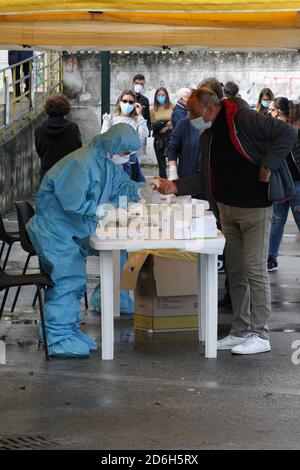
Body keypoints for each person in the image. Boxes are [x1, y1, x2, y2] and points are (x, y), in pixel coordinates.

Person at [156, 87, 297, 355]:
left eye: (195, 113)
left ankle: (261, 333)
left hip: (255, 208)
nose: (192, 118)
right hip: (226, 209)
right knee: (235, 271)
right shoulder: (208, 135)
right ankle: (240, 330)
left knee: (255, 270)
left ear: (211, 107)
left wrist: (268, 165)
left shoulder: (244, 118)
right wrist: (175, 186)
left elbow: (288, 133)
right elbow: (206, 176)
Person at [27, 124, 145, 357]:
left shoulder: (107, 163)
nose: (127, 158)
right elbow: (72, 201)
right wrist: (105, 210)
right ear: (113, 145)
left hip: (72, 231)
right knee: (68, 281)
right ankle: (57, 337)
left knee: (80, 277)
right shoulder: (82, 163)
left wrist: (144, 190)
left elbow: (121, 187)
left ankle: (67, 329)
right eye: (125, 153)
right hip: (56, 232)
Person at [267, 97, 300, 271]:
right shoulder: (274, 131)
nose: (268, 112)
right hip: (281, 183)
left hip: (296, 184)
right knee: (277, 220)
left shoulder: (293, 130)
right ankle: (271, 258)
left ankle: (271, 257)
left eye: (271, 109)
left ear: (278, 111)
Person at [35, 94, 82, 179]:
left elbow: (40, 152)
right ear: (66, 108)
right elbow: (78, 149)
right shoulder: (73, 128)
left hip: (47, 176)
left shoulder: (39, 130)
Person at [101, 89, 149, 166]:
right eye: (124, 101)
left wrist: (139, 114)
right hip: (111, 161)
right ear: (120, 102)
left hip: (129, 162)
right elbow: (103, 137)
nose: (127, 104)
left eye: (130, 102)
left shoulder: (137, 120)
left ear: (134, 104)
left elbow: (144, 134)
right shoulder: (110, 118)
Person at [150, 87, 173, 178]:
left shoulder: (172, 107)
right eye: (159, 95)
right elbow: (152, 125)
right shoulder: (153, 110)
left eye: (163, 95)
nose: (161, 97)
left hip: (170, 137)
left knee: (172, 162)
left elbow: (177, 122)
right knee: (161, 164)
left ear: (166, 96)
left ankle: (174, 181)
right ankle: (163, 181)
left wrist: (167, 127)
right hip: (158, 139)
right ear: (156, 97)